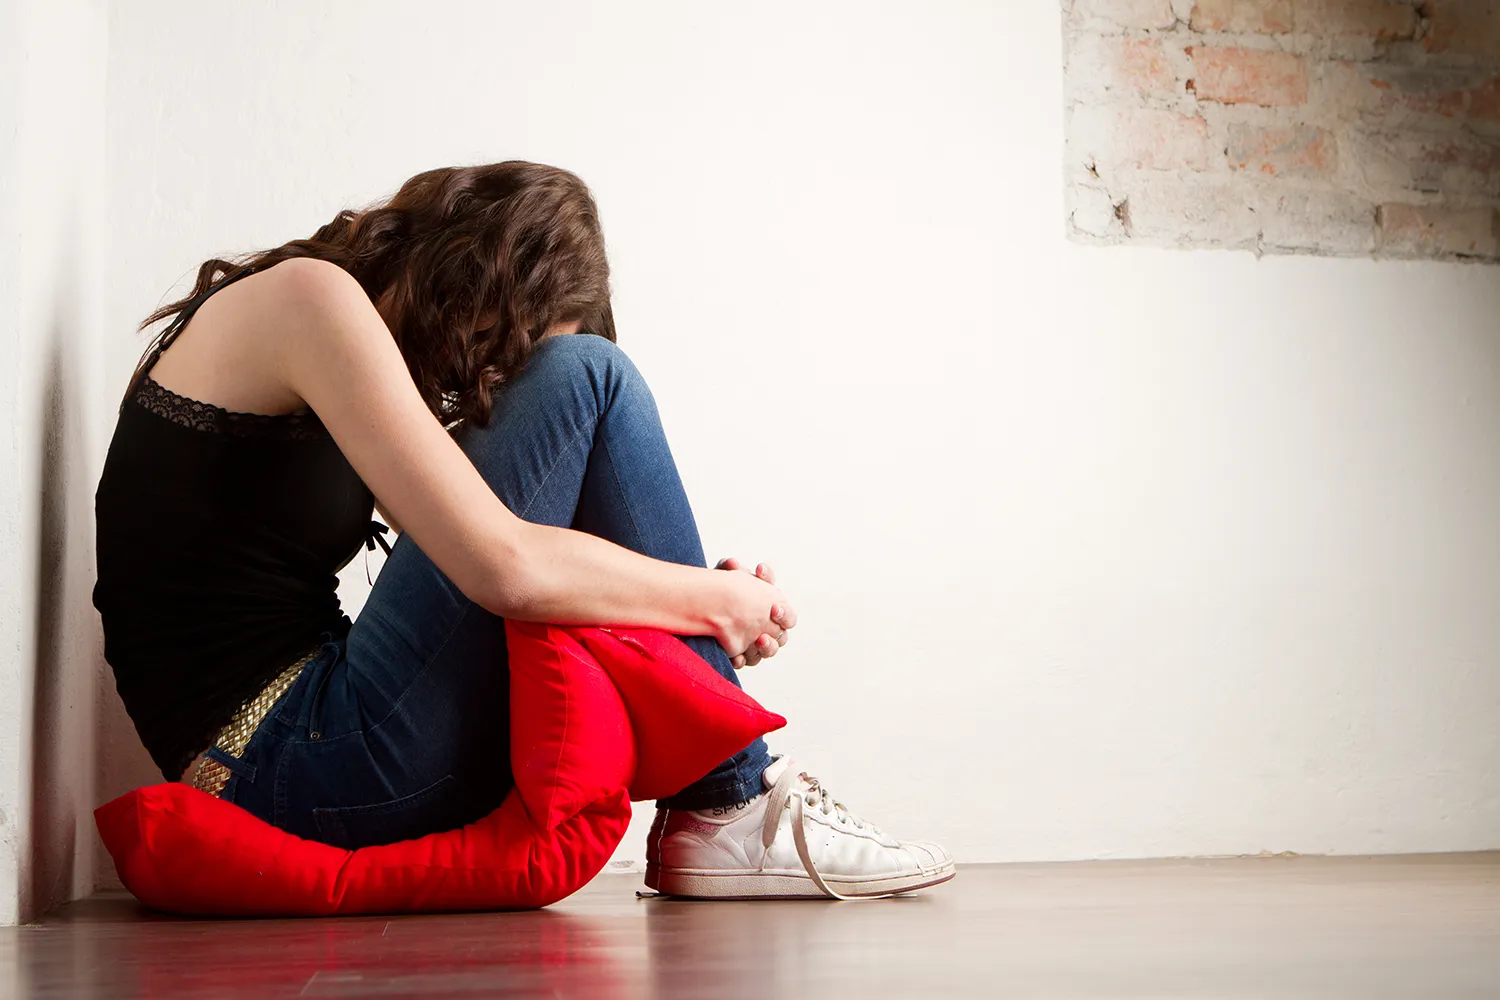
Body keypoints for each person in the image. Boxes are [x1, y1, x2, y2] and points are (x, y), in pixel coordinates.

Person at [93, 161, 953, 900]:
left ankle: (722, 801)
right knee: (591, 377)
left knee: (586, 425)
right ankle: (726, 805)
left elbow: (518, 536)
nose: (499, 378)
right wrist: (707, 599)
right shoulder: (306, 301)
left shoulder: (337, 341)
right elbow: (502, 564)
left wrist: (707, 608)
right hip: (290, 762)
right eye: (512, 348)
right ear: (485, 283)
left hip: (313, 755)